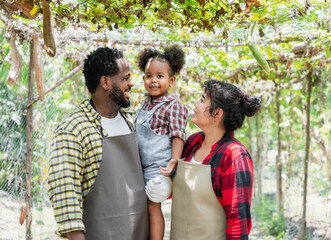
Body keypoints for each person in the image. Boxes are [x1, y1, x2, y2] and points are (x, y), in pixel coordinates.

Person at [48, 47, 149, 240]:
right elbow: (65, 193)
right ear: (105, 82)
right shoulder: (74, 129)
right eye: (125, 78)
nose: (132, 83)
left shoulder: (135, 122)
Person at [162, 79, 261, 240]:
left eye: (202, 100)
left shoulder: (234, 155)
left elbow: (237, 222)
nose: (195, 104)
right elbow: (178, 191)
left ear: (217, 113)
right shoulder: (193, 142)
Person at [135, 45, 188, 240]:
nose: (153, 81)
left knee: (153, 205)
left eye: (160, 76)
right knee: (141, 205)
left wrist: (174, 160)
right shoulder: (145, 102)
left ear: (171, 80)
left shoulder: (173, 106)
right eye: (149, 76)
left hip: (159, 167)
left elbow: (177, 135)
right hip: (139, 164)